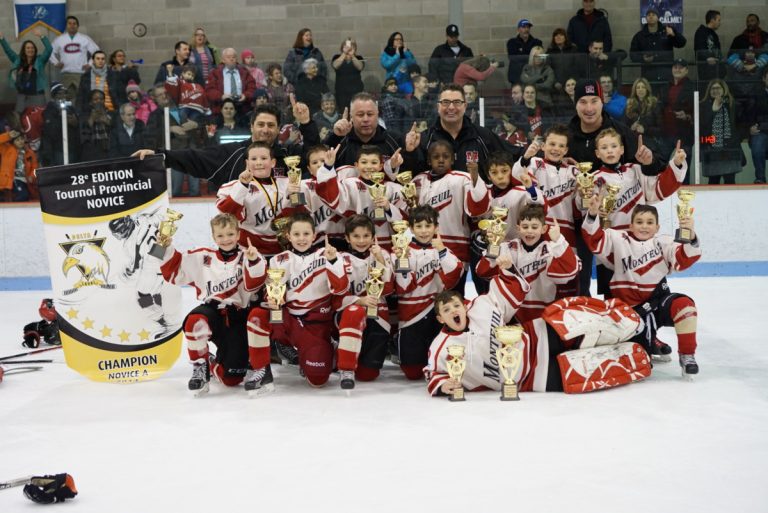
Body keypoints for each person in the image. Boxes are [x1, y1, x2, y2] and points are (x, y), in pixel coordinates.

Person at [426, 285, 647, 396]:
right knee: (594, 367)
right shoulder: (439, 348)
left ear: (464, 306)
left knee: (585, 325)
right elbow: (432, 373)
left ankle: (635, 325)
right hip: (531, 378)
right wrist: (443, 385)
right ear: (439, 318)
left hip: (538, 337)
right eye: (446, 310)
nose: (453, 311)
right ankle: (637, 356)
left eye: (456, 305)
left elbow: (514, 288)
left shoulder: (481, 305)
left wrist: (507, 268)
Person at [582, 201, 702, 378]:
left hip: (657, 304)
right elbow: (594, 240)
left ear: (657, 226)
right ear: (630, 225)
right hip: (628, 312)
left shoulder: (664, 242)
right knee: (638, 361)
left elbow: (683, 259)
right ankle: (649, 340)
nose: (644, 226)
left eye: (649, 222)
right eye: (639, 222)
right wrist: (593, 215)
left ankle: (687, 355)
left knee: (685, 306)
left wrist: (690, 237)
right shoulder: (618, 238)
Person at [159, 213, 269, 395]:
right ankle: (199, 366)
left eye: (230, 234)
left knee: (232, 378)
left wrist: (252, 260)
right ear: (213, 237)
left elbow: (254, 285)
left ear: (238, 234)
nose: (226, 239)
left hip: (238, 317)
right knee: (195, 321)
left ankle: (211, 362)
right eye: (220, 235)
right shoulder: (203, 256)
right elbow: (173, 271)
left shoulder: (249, 256)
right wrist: (162, 246)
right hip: (212, 312)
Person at [252, 213, 349, 388]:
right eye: (296, 234)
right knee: (257, 315)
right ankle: (262, 369)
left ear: (314, 235)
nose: (301, 239)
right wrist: (274, 300)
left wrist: (333, 261)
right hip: (290, 319)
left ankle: (328, 349)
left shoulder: (327, 255)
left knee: (317, 379)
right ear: (288, 236)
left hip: (317, 323)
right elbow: (273, 292)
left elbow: (341, 288)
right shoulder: (278, 260)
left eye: (306, 234)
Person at [133, 100, 318, 186]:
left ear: (279, 129)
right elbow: (194, 157)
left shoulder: (288, 155)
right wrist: (160, 155)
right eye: (260, 124)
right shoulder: (232, 153)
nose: (265, 129)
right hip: (243, 239)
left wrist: (307, 123)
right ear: (252, 127)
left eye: (271, 125)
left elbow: (315, 155)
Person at [476, 204, 580, 322]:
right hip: (514, 314)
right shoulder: (508, 247)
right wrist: (494, 245)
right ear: (518, 228)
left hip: (546, 313)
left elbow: (569, 273)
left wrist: (558, 240)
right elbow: (482, 271)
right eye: (525, 227)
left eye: (534, 227)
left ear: (544, 229)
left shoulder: (552, 249)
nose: (529, 231)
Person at [394, 204, 463, 379]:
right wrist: (402, 259)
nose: (424, 231)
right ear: (411, 228)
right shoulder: (402, 251)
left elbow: (454, 277)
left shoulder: (441, 250)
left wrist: (441, 250)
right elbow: (403, 288)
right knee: (412, 372)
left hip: (435, 314)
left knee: (441, 364)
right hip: (411, 316)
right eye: (418, 226)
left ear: (436, 227)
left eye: (428, 226)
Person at [576, 128, 686, 232]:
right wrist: (594, 211)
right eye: (604, 148)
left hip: (641, 233)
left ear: (622, 149)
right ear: (597, 153)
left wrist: (676, 164)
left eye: (614, 146)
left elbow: (658, 189)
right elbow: (585, 208)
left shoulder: (635, 169)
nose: (609, 151)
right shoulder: (594, 178)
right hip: (614, 237)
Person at [404, 83, 519, 181]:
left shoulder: (483, 136)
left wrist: (531, 154)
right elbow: (411, 175)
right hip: (438, 206)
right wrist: (410, 152)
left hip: (477, 204)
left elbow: (512, 155)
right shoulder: (425, 139)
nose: (451, 107)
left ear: (465, 106)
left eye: (457, 102)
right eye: (445, 102)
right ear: (438, 106)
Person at [334, 214, 395, 388]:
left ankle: (346, 355)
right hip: (348, 314)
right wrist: (359, 301)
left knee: (368, 375)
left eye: (366, 236)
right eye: (356, 236)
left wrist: (381, 261)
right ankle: (345, 367)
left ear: (373, 237)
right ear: (347, 238)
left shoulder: (382, 254)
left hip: (378, 315)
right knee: (355, 312)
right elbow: (335, 299)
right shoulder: (339, 259)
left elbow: (389, 290)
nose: (361, 241)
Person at [471, 151, 543, 294]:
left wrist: (530, 188)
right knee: (488, 291)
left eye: (504, 171)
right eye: (494, 172)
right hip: (492, 251)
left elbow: (538, 205)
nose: (500, 176)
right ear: (488, 175)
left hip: (517, 252)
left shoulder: (521, 192)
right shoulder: (484, 193)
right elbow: (478, 219)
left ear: (511, 171)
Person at [315, 144, 406, 251]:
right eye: (364, 162)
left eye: (374, 162)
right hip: (358, 246)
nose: (368, 166)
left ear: (381, 166)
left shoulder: (392, 188)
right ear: (356, 165)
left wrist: (388, 207)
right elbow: (330, 196)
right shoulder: (350, 184)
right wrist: (328, 166)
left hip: (388, 248)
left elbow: (406, 221)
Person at [216, 141, 292, 256]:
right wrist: (243, 186)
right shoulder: (233, 186)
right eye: (254, 159)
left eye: (263, 158)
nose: (259, 162)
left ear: (273, 162)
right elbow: (226, 214)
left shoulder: (288, 183)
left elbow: (301, 214)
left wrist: (294, 195)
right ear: (247, 163)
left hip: (284, 250)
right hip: (249, 251)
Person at [513, 124, 579, 246]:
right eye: (552, 144)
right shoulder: (535, 163)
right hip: (538, 227)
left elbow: (579, 205)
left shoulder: (574, 172)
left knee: (565, 262)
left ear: (566, 150)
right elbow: (517, 175)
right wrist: (526, 156)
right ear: (543, 146)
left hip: (567, 228)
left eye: (561, 146)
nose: (556, 149)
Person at [324, 91, 407, 171]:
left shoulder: (394, 140)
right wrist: (335, 136)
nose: (365, 119)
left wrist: (411, 152)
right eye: (360, 115)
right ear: (351, 117)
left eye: (370, 114)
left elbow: (408, 172)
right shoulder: (339, 140)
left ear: (377, 114)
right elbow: (320, 168)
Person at [699, 79, 742, 185]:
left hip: (729, 148)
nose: (715, 91)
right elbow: (703, 127)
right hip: (712, 148)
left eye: (718, 88)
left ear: (724, 90)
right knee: (713, 181)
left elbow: (740, 124)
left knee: (730, 180)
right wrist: (713, 110)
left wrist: (737, 139)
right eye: (712, 89)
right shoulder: (703, 105)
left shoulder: (732, 104)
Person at [629, 7, 687, 84]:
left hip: (666, 74)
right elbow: (633, 54)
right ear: (646, 18)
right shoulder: (639, 36)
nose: (651, 16)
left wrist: (673, 35)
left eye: (653, 14)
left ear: (658, 17)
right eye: (648, 15)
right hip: (648, 75)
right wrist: (643, 58)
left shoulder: (667, 30)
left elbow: (682, 43)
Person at [0, 28, 52, 112]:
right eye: (28, 48)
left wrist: (42, 36)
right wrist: (2, 39)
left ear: (35, 50)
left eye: (32, 48)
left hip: (37, 95)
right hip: (22, 96)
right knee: (19, 119)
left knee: (39, 118)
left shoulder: (40, 60)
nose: (30, 50)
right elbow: (8, 51)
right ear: (24, 50)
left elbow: (49, 49)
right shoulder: (17, 60)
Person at [659, 59, 694, 178]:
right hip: (665, 134)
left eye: (681, 67)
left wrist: (688, 116)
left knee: (683, 170)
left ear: (687, 70)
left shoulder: (693, 87)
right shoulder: (665, 86)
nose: (677, 69)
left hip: (684, 135)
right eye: (675, 67)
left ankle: (684, 195)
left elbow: (699, 110)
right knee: (660, 167)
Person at [49, 16, 99, 97]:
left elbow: (97, 51)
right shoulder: (59, 39)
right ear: (66, 25)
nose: (72, 25)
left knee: (83, 97)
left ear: (77, 26)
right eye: (69, 23)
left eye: (74, 24)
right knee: (67, 97)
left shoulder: (84, 38)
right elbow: (49, 52)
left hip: (81, 74)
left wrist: (90, 64)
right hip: (66, 74)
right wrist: (56, 63)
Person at [205, 47, 257, 118]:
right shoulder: (215, 73)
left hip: (242, 107)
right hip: (221, 108)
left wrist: (245, 95)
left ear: (237, 59)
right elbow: (209, 90)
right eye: (228, 57)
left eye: (234, 57)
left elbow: (252, 87)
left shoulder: (244, 72)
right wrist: (221, 96)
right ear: (223, 60)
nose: (231, 59)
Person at [40, 82, 80, 166]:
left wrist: (75, 123)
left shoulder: (71, 109)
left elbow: (78, 126)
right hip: (59, 149)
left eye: (64, 93)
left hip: (72, 147)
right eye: (59, 94)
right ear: (54, 96)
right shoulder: (49, 111)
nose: (63, 96)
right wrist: (60, 118)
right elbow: (50, 132)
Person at [623, 78, 663, 153]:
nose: (640, 90)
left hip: (649, 143)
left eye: (643, 87)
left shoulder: (654, 104)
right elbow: (623, 126)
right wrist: (631, 128)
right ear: (635, 90)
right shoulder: (629, 105)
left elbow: (661, 129)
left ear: (647, 89)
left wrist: (645, 130)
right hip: (633, 143)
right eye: (638, 87)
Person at [0, 129, 38, 202]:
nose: (20, 142)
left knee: (27, 197)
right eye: (17, 140)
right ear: (13, 142)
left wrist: (32, 176)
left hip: (26, 181)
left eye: (21, 139)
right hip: (10, 181)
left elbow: (35, 167)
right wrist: (8, 136)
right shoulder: (6, 149)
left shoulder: (30, 152)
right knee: (23, 196)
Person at [331, 38, 365, 111]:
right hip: (341, 92)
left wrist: (352, 55)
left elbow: (360, 67)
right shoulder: (337, 57)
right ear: (342, 47)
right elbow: (335, 65)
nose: (349, 48)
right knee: (343, 112)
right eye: (347, 46)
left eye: (352, 46)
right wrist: (344, 53)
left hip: (356, 91)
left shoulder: (359, 58)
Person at [78, 89, 112, 162]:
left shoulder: (110, 113)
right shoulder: (85, 115)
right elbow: (83, 133)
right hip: (91, 151)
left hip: (109, 149)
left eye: (101, 99)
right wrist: (92, 118)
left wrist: (106, 119)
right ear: (90, 102)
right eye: (95, 99)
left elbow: (115, 128)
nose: (99, 101)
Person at [747, 68, 768, 183]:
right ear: (764, 79)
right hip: (761, 131)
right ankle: (760, 178)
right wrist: (750, 127)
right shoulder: (756, 94)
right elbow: (749, 113)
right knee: (758, 146)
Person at [506, 19, 542, 85]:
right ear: (518, 29)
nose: (526, 29)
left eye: (528, 27)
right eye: (523, 27)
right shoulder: (512, 42)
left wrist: (522, 54)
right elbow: (513, 58)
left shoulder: (537, 42)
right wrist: (530, 55)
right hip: (516, 77)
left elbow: (538, 58)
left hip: (532, 76)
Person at [694, 10, 724, 81]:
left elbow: (718, 51)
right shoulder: (701, 32)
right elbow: (699, 48)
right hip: (706, 71)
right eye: (718, 20)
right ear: (712, 20)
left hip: (716, 70)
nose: (719, 23)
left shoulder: (715, 35)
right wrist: (707, 58)